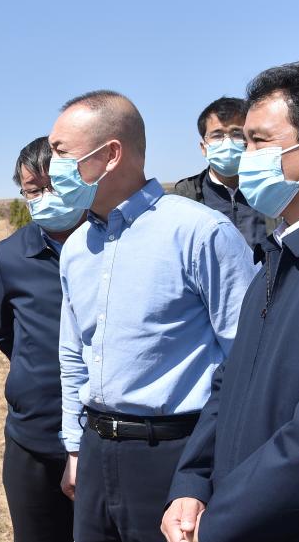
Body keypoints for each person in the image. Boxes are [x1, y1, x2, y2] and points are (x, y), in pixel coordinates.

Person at [50, 91, 257, 542]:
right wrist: (75, 448)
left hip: (175, 456)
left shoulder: (201, 233)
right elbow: (73, 355)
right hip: (95, 450)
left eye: (61, 153)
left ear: (110, 155)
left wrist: (202, 475)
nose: (52, 167)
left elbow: (246, 360)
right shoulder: (77, 247)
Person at [163, 60, 299, 542]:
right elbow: (230, 380)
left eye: (259, 142)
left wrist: (219, 523)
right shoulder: (278, 255)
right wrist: (192, 483)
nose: (244, 158)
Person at [0, 136, 84, 542]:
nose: (46, 197)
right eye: (34, 190)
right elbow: (3, 332)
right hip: (33, 432)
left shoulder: (110, 243)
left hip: (101, 435)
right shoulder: (11, 254)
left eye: (55, 186)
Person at [173, 97, 272, 252]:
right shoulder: (185, 196)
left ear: (250, 139)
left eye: (236, 133)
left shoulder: (271, 188)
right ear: (203, 147)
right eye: (217, 135)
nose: (227, 143)